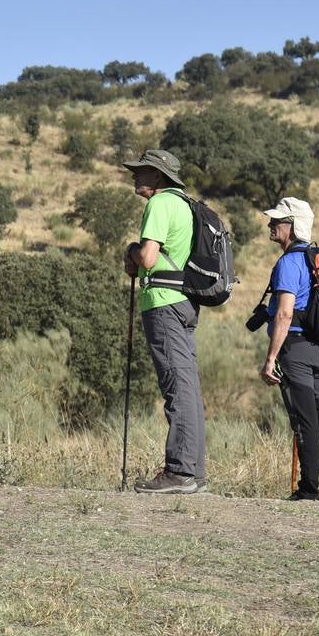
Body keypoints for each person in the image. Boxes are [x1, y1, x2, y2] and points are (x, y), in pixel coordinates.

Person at [121, 148, 207, 494]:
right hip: (183, 302)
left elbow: (148, 256)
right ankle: (193, 472)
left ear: (157, 177)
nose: (134, 175)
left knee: (176, 385)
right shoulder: (184, 204)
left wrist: (130, 251)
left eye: (141, 170)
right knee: (186, 385)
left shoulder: (159, 204)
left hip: (163, 301)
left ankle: (180, 472)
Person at [257, 197, 319, 503]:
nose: (272, 225)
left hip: (295, 350)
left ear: (293, 226)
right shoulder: (317, 259)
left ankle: (308, 489)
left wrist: (271, 358)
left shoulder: (288, 262)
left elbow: (285, 314)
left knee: (305, 419)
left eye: (278, 221)